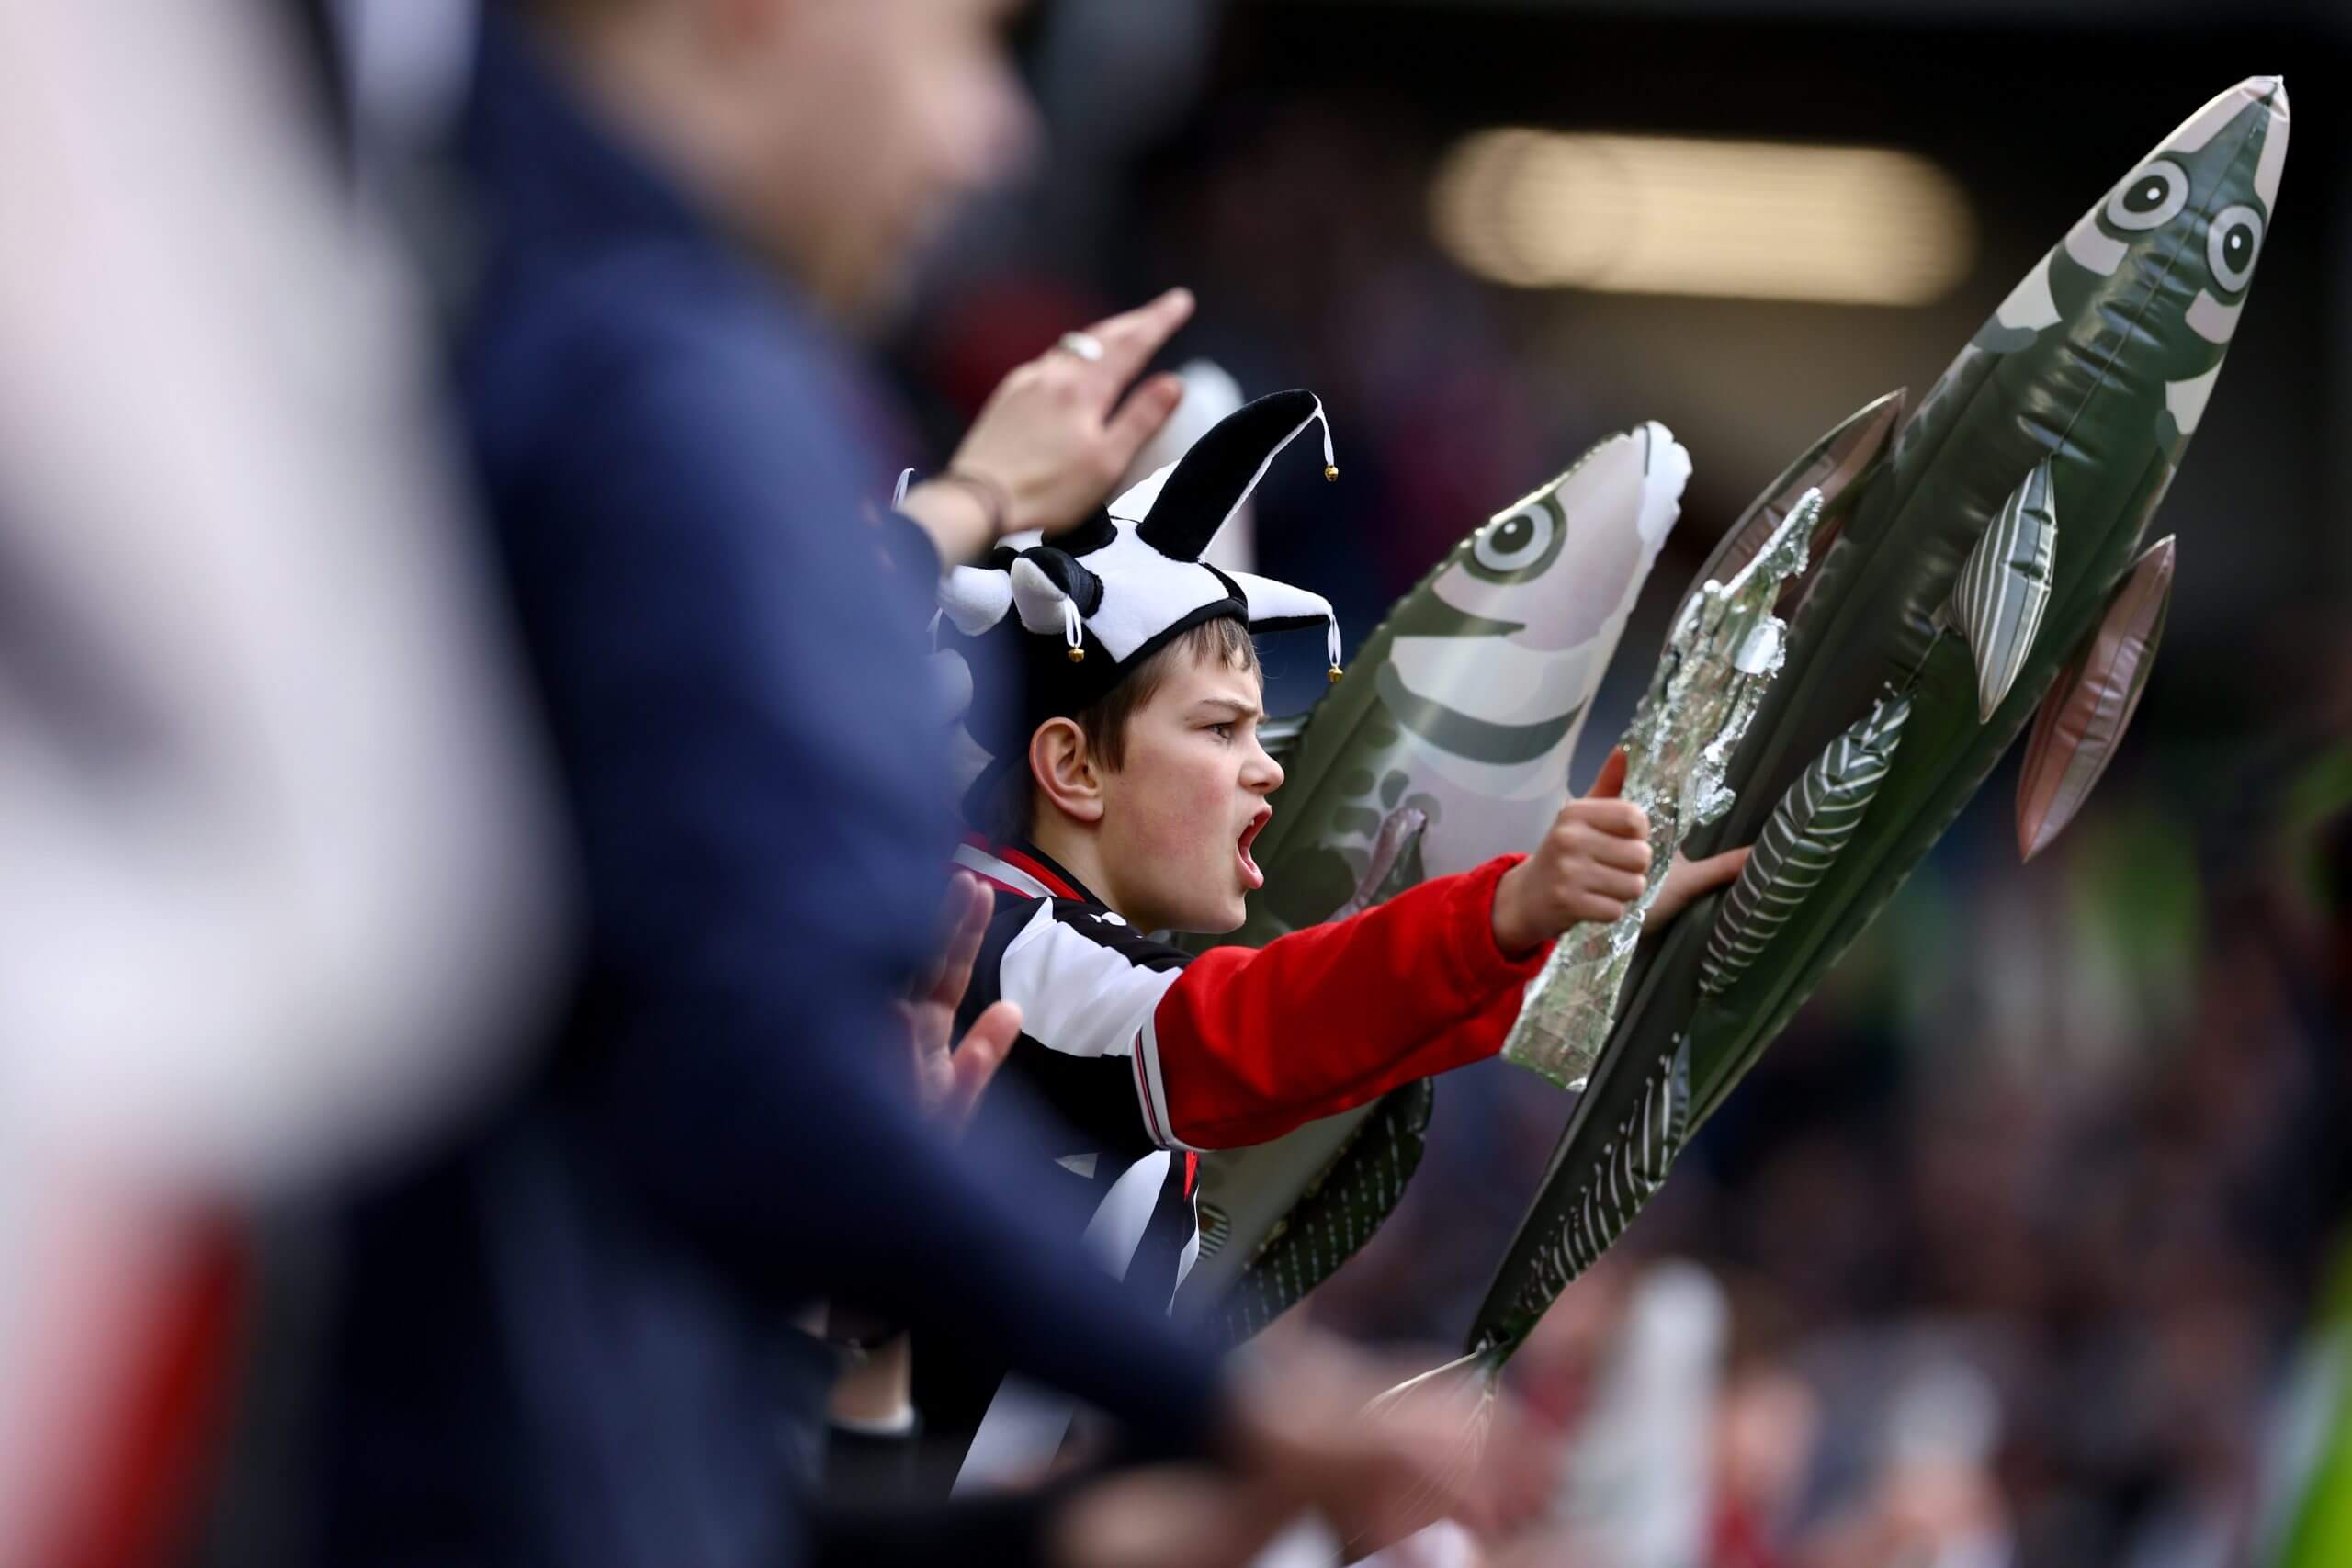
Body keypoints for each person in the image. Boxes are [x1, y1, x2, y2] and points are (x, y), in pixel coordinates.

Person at [310, 2, 1546, 1562]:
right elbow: (751, 1078)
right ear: (1070, 763)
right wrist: (1246, 1405)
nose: (994, 134)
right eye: (968, 37)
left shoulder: (434, 289)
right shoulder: (671, 373)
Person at [924, 389, 1749, 1483]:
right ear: (1072, 766)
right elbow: (1251, 1029)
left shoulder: (1048, 942)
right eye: (1220, 729)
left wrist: (1582, 934)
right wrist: (1509, 910)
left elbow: (1352, 1040)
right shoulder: (987, 936)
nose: (1267, 764)